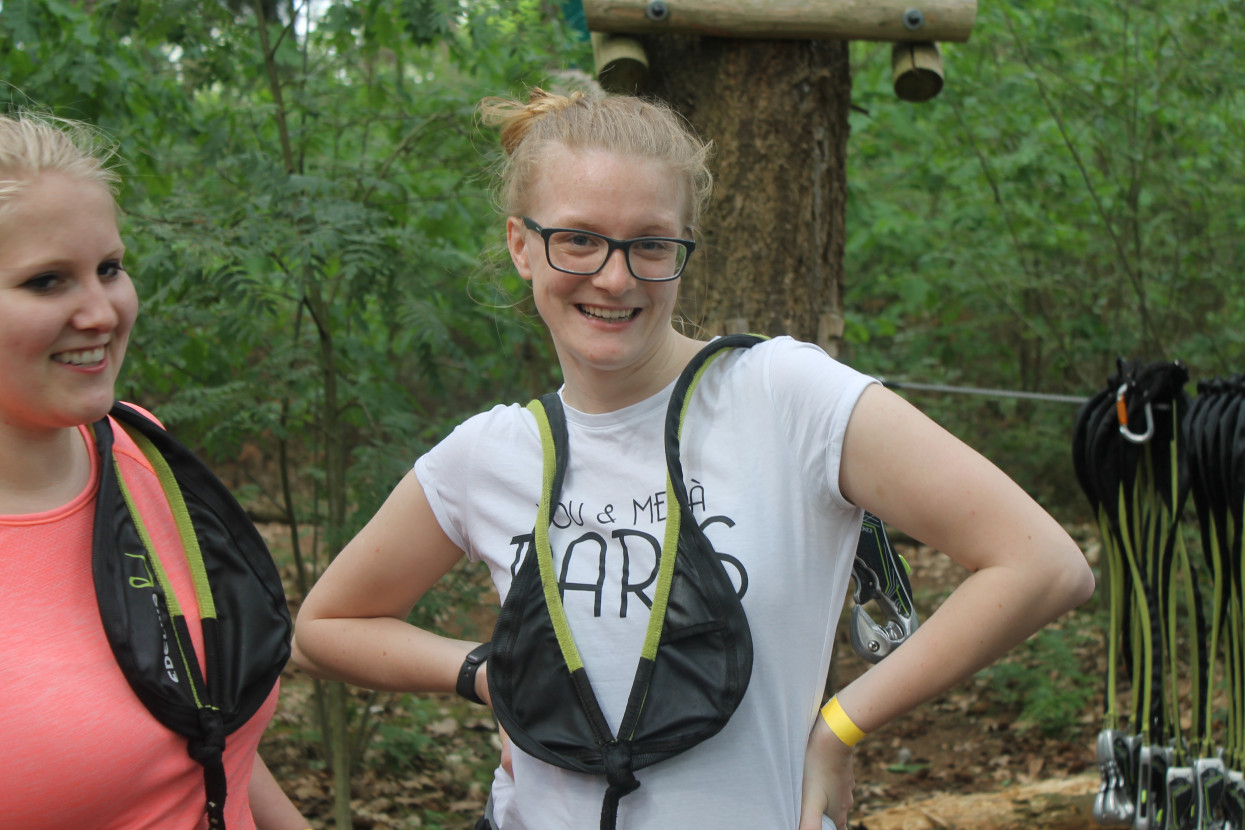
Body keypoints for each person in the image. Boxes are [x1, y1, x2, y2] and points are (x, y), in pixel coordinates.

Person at [291, 87, 1095, 830]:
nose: (613, 276)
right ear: (521, 246)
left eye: (649, 245)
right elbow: (326, 626)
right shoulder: (492, 453)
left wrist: (840, 726)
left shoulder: (784, 396)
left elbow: (1040, 565)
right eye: (577, 240)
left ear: (684, 247)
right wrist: (489, 673)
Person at [0, 113, 309, 830]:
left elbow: (201, 730)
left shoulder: (142, 457)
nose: (102, 311)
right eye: (48, 282)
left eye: (109, 268)